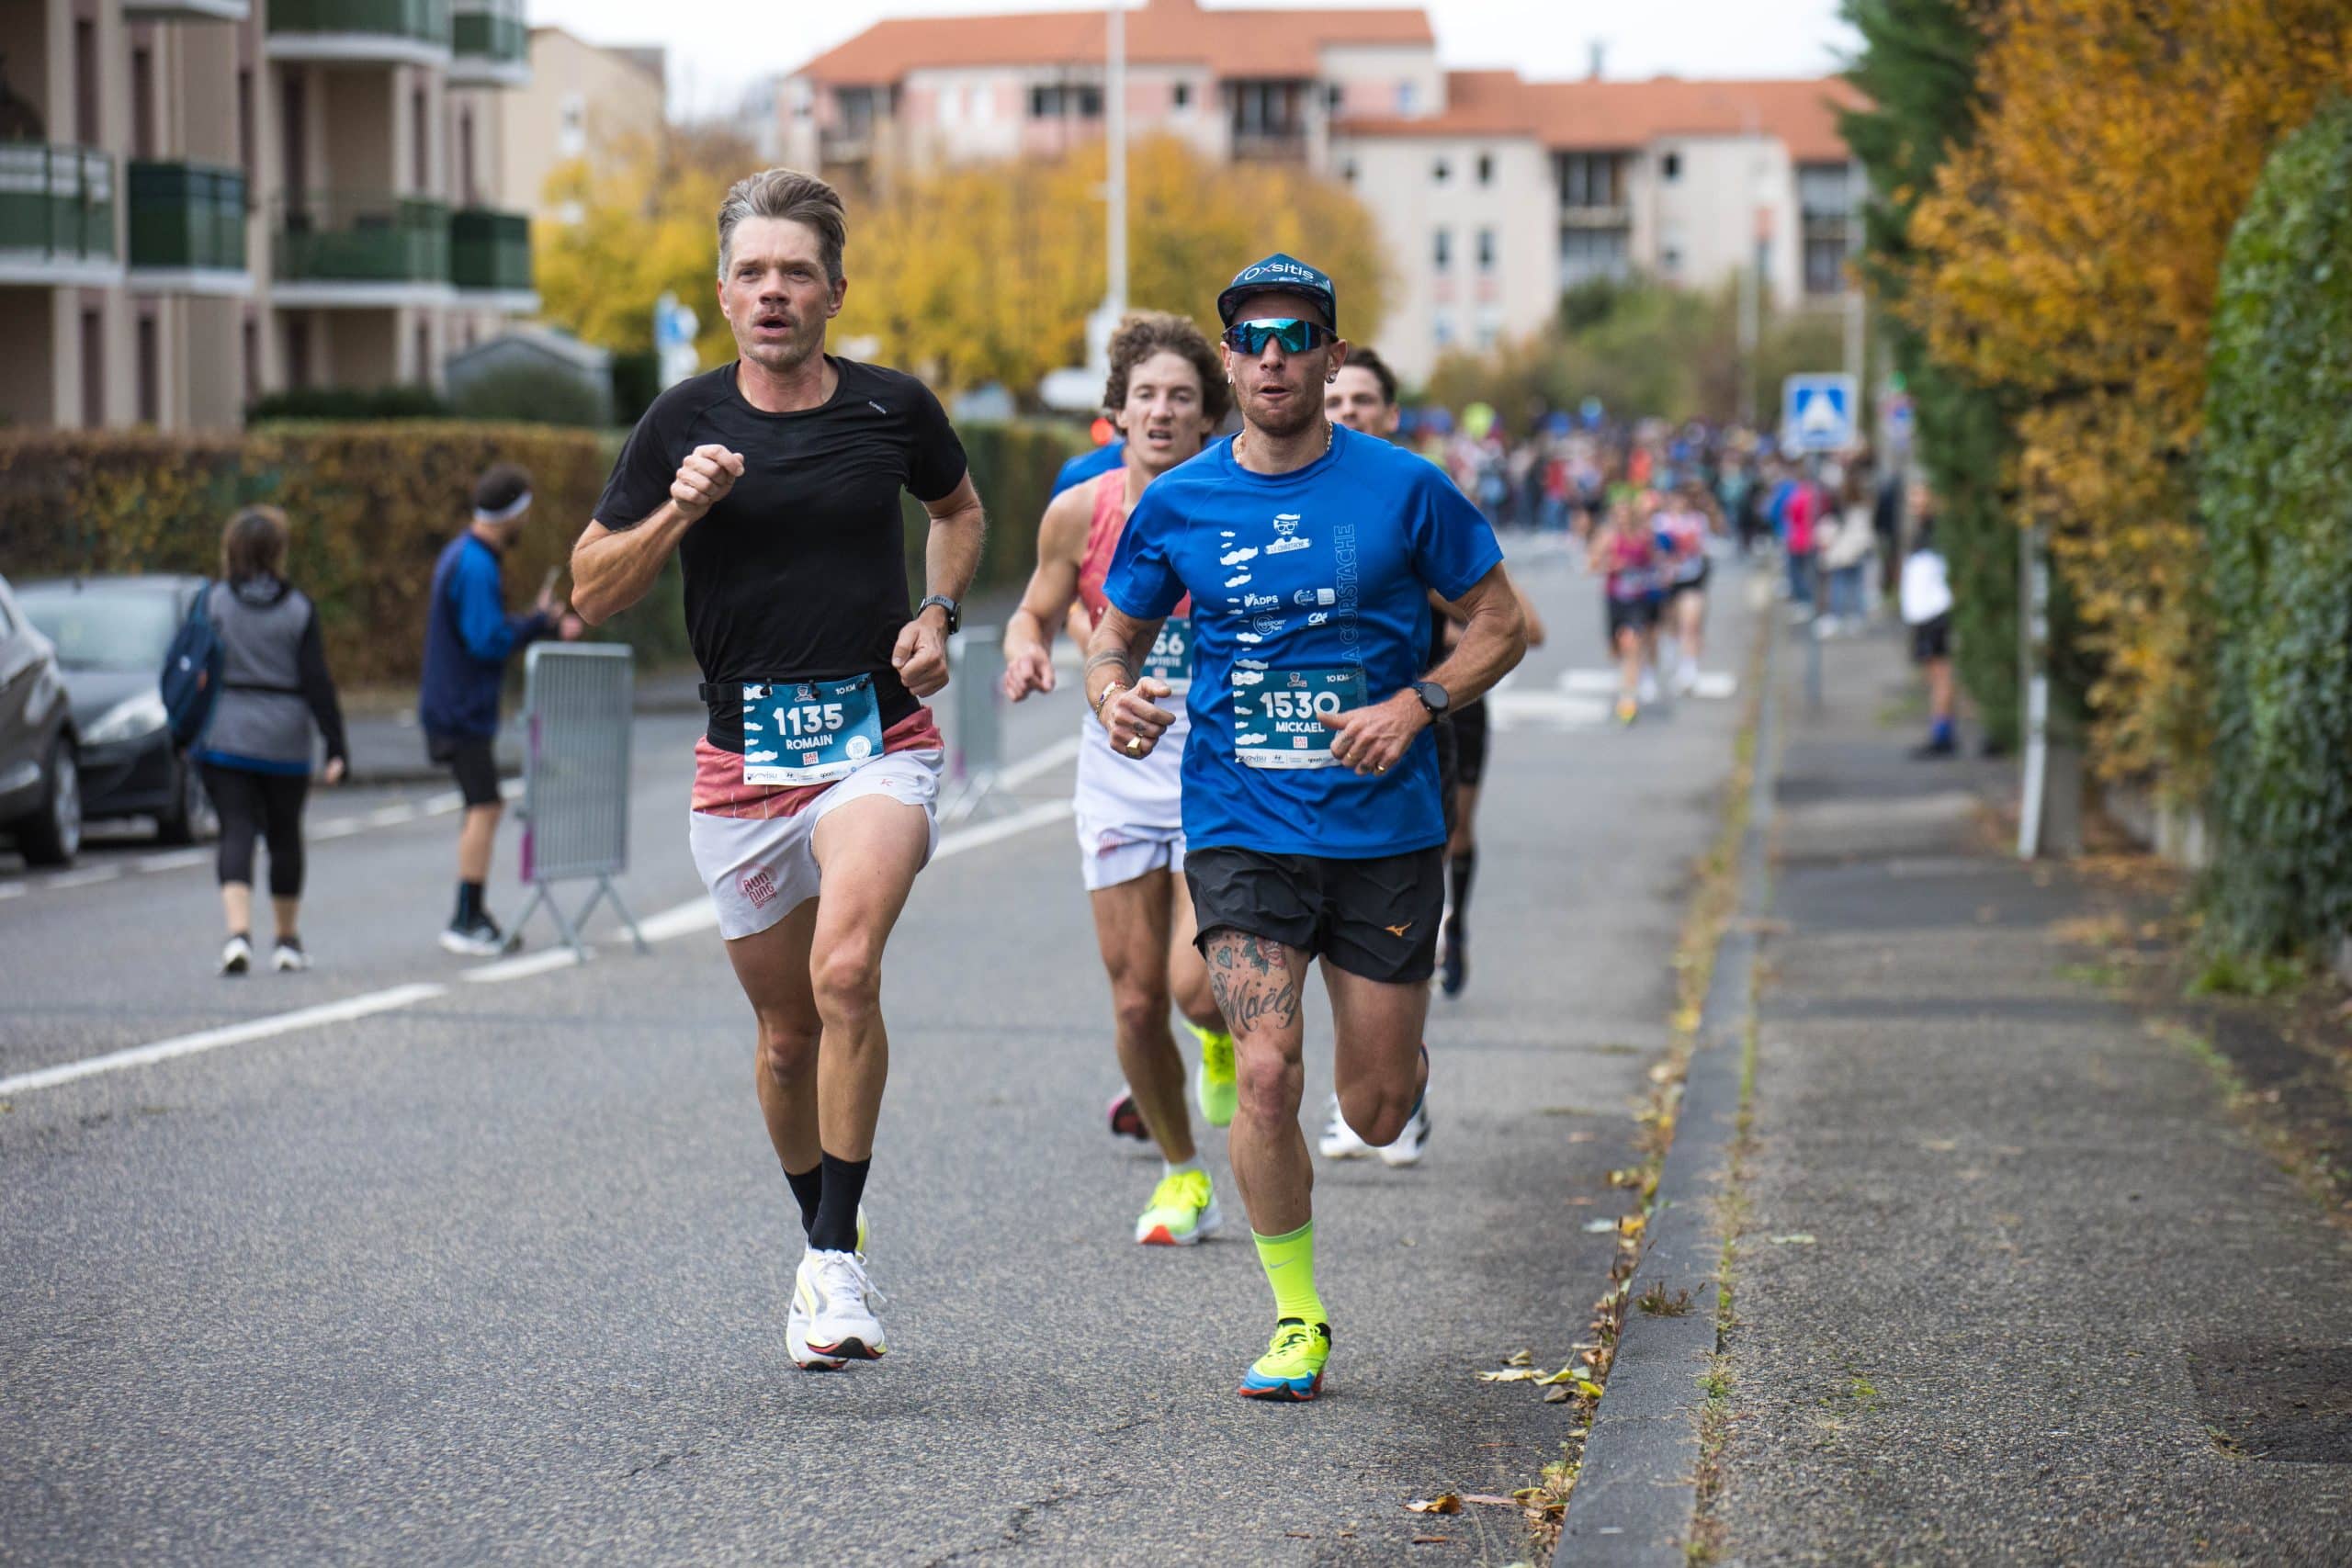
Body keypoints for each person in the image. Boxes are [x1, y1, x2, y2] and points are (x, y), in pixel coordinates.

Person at [1087, 254, 1528, 1401]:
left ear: (1331, 357)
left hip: (1384, 829)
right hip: (1242, 825)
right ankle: (1298, 1318)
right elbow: (1115, 638)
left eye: (1297, 336)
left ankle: (1398, 1065)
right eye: (1253, 338)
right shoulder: (1176, 503)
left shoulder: (1405, 488)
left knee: (1373, 1114)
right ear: (1229, 359)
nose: (1273, 355)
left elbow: (1500, 622)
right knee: (1270, 1070)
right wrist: (1110, 694)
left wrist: (1416, 701)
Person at [569, 168, 986, 1371]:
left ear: (834, 290)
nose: (772, 290)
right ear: (722, 290)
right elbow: (594, 591)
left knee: (844, 968)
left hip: (875, 741)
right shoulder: (680, 423)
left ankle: (835, 1257)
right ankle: (818, 1236)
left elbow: (958, 509)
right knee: (787, 1030)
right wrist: (676, 513)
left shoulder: (892, 408)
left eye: (795, 270)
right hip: (742, 761)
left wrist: (940, 610)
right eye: (752, 271)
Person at [1001, 311, 1238, 1245]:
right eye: (1146, 395)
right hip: (1118, 771)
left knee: (1192, 989)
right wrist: (1027, 651)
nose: (1162, 411)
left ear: (1206, 417)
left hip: (1218, 769)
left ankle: (1217, 1032)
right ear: (1117, 410)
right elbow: (1034, 609)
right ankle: (1183, 1174)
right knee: (1136, 998)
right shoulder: (1080, 512)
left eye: (1182, 397)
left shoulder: (1238, 502)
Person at [1324, 347, 1546, 1007]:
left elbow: (1518, 624)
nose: (1347, 412)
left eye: (1361, 401)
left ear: (1391, 413)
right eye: (1336, 401)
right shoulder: (1296, 496)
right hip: (1343, 720)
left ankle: (1451, 924)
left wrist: (1433, 629)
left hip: (1442, 706)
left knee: (1455, 836)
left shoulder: (1421, 495)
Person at [419, 463, 582, 956]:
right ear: (511, 513)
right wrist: (538, 625)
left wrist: (534, 622)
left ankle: (471, 912)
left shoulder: (466, 556)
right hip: (460, 709)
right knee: (484, 806)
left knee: (481, 807)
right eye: (524, 514)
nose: (525, 525)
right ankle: (466, 917)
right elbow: (485, 640)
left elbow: (483, 629)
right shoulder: (475, 564)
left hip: (457, 705)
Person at [189, 506, 349, 975]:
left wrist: (184, 733)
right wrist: (336, 745)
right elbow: (318, 682)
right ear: (279, 552)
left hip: (226, 734)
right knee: (284, 837)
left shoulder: (213, 603)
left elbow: (193, 670)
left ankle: (238, 935)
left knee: (236, 829)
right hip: (285, 739)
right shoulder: (299, 609)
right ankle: (286, 941)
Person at [1591, 495, 1657, 726]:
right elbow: (1592, 565)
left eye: (1625, 515)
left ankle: (1628, 699)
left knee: (1631, 643)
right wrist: (1612, 565)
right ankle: (1626, 680)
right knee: (1616, 649)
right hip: (1615, 599)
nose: (1621, 520)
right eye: (1617, 516)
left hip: (1637, 601)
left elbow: (1654, 562)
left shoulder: (1643, 538)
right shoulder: (1608, 538)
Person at [1901, 488, 1957, 758]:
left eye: (1921, 496)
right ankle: (1941, 727)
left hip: (1934, 614)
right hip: (1923, 615)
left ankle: (1943, 734)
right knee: (1933, 675)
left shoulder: (1937, 532)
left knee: (1941, 674)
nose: (1915, 502)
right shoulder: (1922, 529)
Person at [1655, 482, 1715, 694]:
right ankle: (1671, 656)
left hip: (1692, 578)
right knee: (1671, 624)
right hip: (1667, 580)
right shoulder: (1659, 522)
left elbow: (1705, 545)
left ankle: (1689, 669)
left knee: (1691, 623)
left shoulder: (1698, 521)